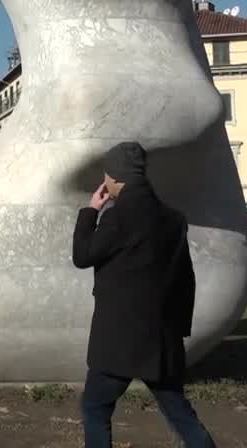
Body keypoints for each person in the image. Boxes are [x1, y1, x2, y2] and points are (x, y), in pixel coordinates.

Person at [72, 141, 215, 448]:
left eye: (107, 174)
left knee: (95, 408)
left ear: (116, 178)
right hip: (161, 340)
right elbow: (185, 279)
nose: (105, 180)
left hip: (118, 341)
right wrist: (178, 331)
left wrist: (91, 211)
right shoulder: (172, 219)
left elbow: (82, 256)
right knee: (179, 412)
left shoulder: (117, 217)